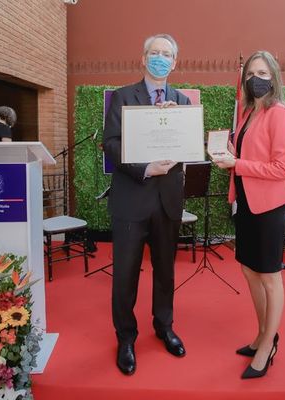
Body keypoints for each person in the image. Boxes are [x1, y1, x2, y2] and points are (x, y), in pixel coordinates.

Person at [102, 33, 190, 376]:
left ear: (174, 62)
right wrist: (144, 168)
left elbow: (189, 149)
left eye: (166, 54)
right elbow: (110, 145)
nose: (160, 58)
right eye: (154, 53)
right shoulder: (123, 97)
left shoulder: (182, 102)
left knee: (165, 271)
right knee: (124, 275)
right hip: (130, 198)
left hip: (167, 201)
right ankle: (126, 337)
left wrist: (173, 125)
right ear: (143, 58)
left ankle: (164, 326)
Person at [213, 50, 285, 379]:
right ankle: (262, 333)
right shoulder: (249, 113)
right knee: (249, 270)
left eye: (261, 73)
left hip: (269, 206)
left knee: (270, 278)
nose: (255, 79)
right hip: (246, 202)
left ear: (273, 77)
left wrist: (238, 164)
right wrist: (230, 153)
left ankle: (268, 346)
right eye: (250, 74)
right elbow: (248, 155)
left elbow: (281, 168)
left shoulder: (279, 113)